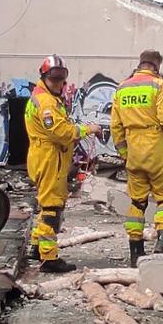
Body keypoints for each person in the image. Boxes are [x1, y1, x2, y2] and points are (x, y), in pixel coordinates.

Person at [26, 55, 101, 274]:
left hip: (44, 155)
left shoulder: (41, 96)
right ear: (44, 76)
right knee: (52, 207)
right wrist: (88, 130)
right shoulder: (47, 103)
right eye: (55, 78)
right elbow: (60, 132)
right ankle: (49, 258)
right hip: (51, 158)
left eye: (62, 77)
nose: (59, 82)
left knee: (45, 203)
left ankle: (36, 246)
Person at [110, 49, 163, 263]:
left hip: (134, 151)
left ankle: (135, 251)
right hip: (157, 149)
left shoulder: (122, 88)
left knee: (137, 202)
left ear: (140, 63)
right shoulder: (159, 85)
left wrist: (125, 154)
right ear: (156, 65)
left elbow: (116, 126)